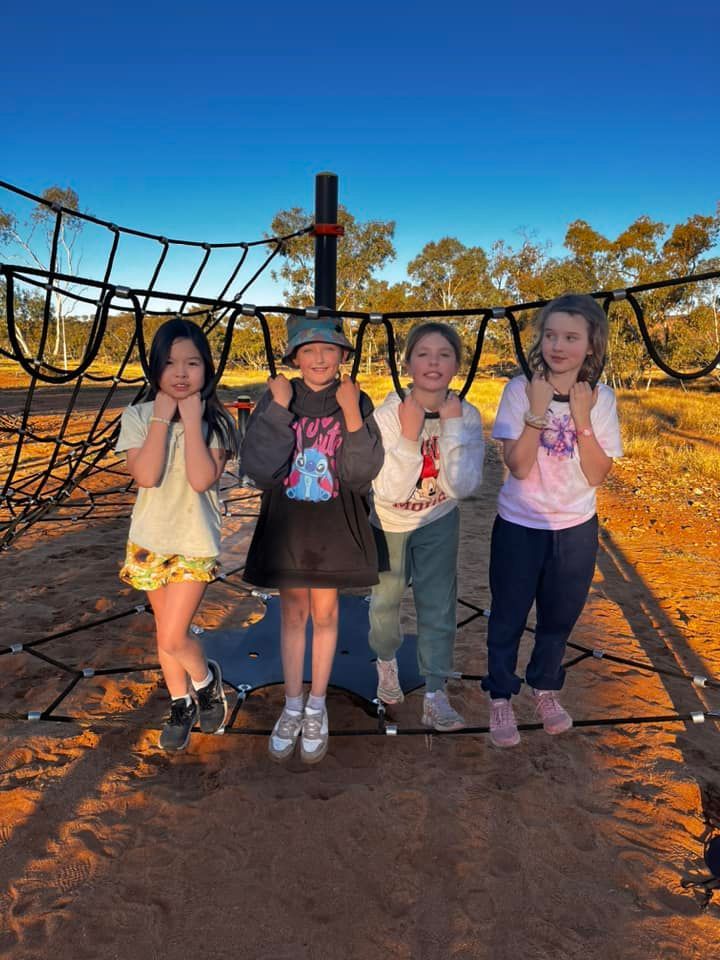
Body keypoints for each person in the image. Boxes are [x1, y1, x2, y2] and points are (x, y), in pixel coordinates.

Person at [240, 315, 383, 764]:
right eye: (308, 349)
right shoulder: (277, 398)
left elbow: (361, 475)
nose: (319, 357)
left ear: (343, 355)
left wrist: (352, 413)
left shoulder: (355, 400)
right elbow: (260, 469)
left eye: (328, 348)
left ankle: (318, 705)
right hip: (289, 525)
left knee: (325, 612)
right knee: (293, 613)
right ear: (294, 358)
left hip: (334, 527)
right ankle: (292, 703)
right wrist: (279, 408)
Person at [483, 293, 622, 747]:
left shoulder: (600, 398)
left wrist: (581, 417)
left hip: (575, 527)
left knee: (559, 618)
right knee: (507, 615)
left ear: (590, 345)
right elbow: (519, 466)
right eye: (550, 335)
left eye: (571, 337)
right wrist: (537, 413)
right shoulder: (518, 389)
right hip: (520, 524)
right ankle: (500, 694)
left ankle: (544, 688)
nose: (558, 346)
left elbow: (597, 473)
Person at [116, 316, 238, 752]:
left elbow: (203, 479)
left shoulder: (217, 421)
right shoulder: (137, 416)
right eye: (170, 364)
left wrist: (191, 420)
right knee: (164, 632)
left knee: (173, 633)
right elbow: (146, 475)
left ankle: (206, 683)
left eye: (192, 363)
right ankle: (181, 700)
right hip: (149, 542)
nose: (182, 373)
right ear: (155, 370)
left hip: (193, 542)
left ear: (207, 368)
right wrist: (163, 421)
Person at [369, 322, 485, 730]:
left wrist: (450, 428)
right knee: (385, 602)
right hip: (390, 521)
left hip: (438, 517)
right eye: (423, 353)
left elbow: (462, 486)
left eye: (444, 354)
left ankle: (435, 692)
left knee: (437, 605)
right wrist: (407, 435)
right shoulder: (387, 415)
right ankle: (386, 663)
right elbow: (385, 489)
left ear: (457, 364)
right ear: (407, 363)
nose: (433, 362)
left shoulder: (466, 416)